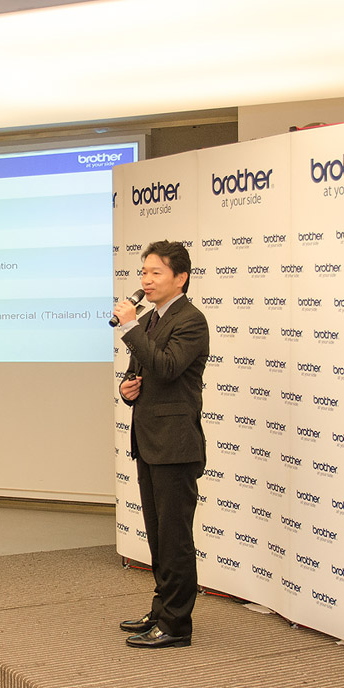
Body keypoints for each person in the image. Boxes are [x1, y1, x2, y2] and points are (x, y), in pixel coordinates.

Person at [112, 240, 209, 649]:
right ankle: (162, 609)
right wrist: (127, 389)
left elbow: (167, 367)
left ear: (180, 278)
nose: (146, 280)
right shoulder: (150, 318)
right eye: (144, 272)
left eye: (156, 272)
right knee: (157, 535)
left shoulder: (191, 321)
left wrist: (130, 328)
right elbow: (141, 371)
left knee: (175, 538)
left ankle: (177, 625)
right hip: (150, 441)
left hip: (176, 445)